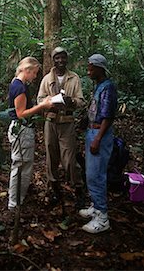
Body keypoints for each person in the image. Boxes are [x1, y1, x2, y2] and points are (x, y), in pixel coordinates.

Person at [37, 47, 85, 206]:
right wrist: (48, 103)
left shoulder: (74, 78)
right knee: (51, 157)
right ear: (53, 60)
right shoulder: (46, 79)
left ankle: (78, 189)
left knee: (69, 159)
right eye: (57, 58)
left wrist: (72, 102)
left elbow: (80, 101)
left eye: (63, 58)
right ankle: (55, 190)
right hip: (51, 122)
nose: (60, 61)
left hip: (67, 123)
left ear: (67, 59)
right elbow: (39, 100)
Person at [8, 57, 54, 211]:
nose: (35, 76)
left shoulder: (16, 83)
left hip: (20, 129)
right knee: (22, 166)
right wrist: (42, 106)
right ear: (26, 70)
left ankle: (17, 199)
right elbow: (21, 113)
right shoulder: (19, 87)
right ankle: (15, 203)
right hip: (22, 130)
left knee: (21, 165)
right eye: (34, 73)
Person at [79, 53, 118, 234]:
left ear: (99, 68)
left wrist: (97, 138)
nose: (88, 71)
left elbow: (108, 116)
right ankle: (96, 205)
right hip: (92, 131)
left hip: (99, 134)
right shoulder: (99, 86)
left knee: (96, 175)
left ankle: (102, 217)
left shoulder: (108, 88)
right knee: (91, 172)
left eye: (91, 67)